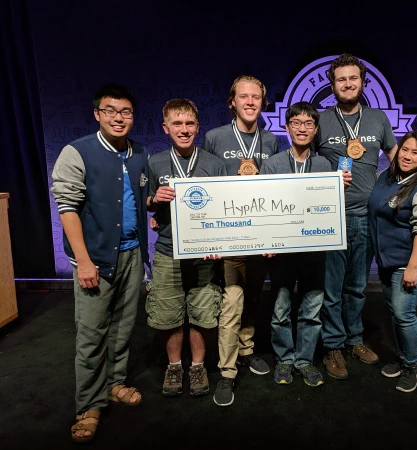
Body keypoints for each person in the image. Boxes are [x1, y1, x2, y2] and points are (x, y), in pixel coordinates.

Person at [51, 83, 149, 443]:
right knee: (92, 333)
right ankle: (89, 405)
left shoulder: (139, 153)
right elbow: (67, 208)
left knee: (123, 327)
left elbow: (138, 199)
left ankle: (114, 383)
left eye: (125, 112)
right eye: (110, 110)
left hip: (132, 254)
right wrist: (83, 260)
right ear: (97, 114)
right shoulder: (77, 152)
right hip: (95, 258)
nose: (118, 118)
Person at [312, 53, 398, 379]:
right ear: (332, 85)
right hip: (330, 218)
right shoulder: (321, 120)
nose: (347, 84)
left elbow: (397, 158)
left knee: (358, 287)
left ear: (363, 82)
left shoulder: (377, 119)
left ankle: (354, 339)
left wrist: (395, 190)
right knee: (331, 289)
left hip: (366, 218)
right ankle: (332, 345)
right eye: (341, 79)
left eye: (353, 78)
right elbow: (305, 161)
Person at [260, 102, 352, 387]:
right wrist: (266, 240)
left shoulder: (325, 165)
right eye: (296, 123)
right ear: (287, 128)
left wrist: (339, 189)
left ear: (315, 129)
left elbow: (328, 207)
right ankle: (284, 359)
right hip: (282, 254)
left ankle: (304, 360)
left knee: (312, 311)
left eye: (308, 123)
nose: (302, 128)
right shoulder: (272, 164)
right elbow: (263, 207)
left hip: (314, 252)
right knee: (280, 311)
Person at [201, 74, 279, 406]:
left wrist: (273, 236)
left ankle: (247, 348)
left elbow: (275, 190)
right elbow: (204, 183)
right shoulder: (215, 137)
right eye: (243, 96)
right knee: (232, 302)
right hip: (230, 235)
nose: (250, 102)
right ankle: (227, 371)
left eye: (255, 97)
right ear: (232, 102)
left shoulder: (271, 140)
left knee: (253, 297)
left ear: (263, 102)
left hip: (259, 236)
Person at [146, 99, 226, 398]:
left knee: (202, 315)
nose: (184, 129)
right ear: (165, 128)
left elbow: (224, 209)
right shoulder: (154, 163)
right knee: (170, 315)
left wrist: (219, 243)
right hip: (168, 251)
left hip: (204, 254)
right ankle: (174, 366)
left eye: (189, 123)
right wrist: (154, 200)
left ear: (198, 127)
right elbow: (144, 202)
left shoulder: (214, 164)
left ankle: (198, 366)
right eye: (177, 124)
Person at [368, 130, 417, 392]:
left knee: (403, 313)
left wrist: (412, 267)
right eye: (405, 150)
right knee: (395, 311)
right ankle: (402, 358)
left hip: (412, 261)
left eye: (415, 153)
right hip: (388, 259)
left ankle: (413, 366)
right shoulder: (385, 177)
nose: (408, 156)